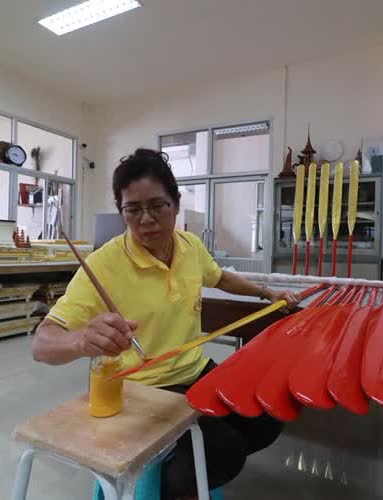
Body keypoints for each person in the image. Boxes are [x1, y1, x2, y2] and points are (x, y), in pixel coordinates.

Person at [33, 148, 300, 499]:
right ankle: (153, 480)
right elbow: (42, 344)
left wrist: (267, 292)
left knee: (266, 416)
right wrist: (81, 340)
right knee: (222, 451)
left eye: (157, 205)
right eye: (133, 209)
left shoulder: (190, 246)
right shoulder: (103, 264)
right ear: (122, 213)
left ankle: (174, 460)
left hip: (196, 372)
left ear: (175, 204)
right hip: (143, 390)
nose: (146, 219)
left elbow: (220, 277)